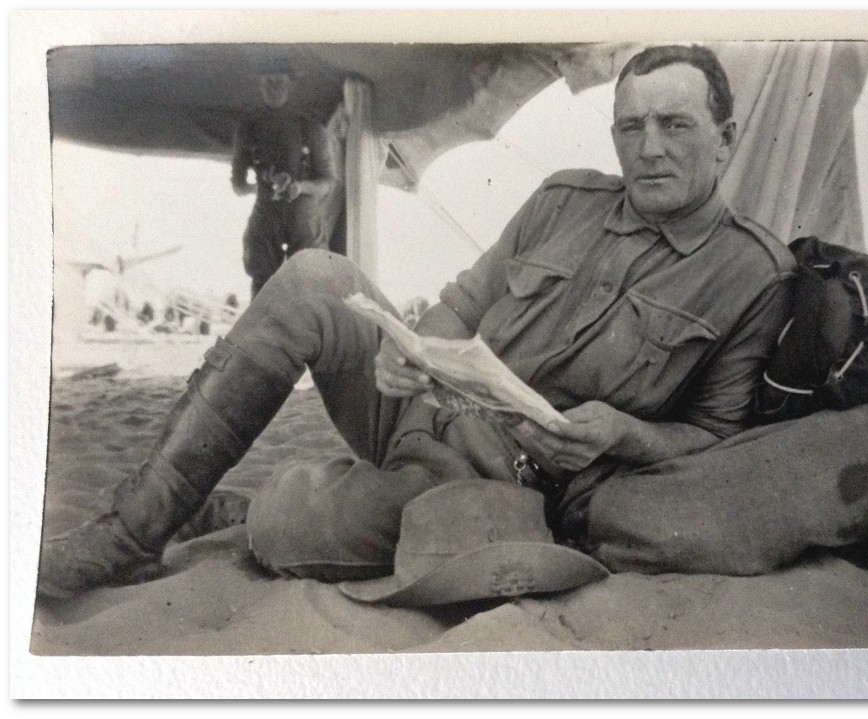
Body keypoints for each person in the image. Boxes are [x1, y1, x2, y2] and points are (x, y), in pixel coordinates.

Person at [38, 45, 796, 598]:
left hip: (500, 479)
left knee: (289, 528)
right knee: (310, 278)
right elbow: (462, 302)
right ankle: (133, 530)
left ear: (725, 140)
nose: (649, 149)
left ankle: (233, 507)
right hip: (419, 399)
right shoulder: (564, 198)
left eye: (674, 125)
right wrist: (408, 351)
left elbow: (716, 436)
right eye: (630, 129)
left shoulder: (754, 275)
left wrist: (622, 433)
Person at [231, 62, 338, 298]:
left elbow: (328, 182)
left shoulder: (313, 129)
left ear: (291, 85)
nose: (273, 88)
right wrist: (262, 186)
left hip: (303, 216)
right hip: (267, 213)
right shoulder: (247, 129)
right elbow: (238, 185)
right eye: (267, 82)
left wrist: (300, 187)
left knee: (310, 284)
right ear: (259, 85)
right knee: (262, 286)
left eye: (279, 81)